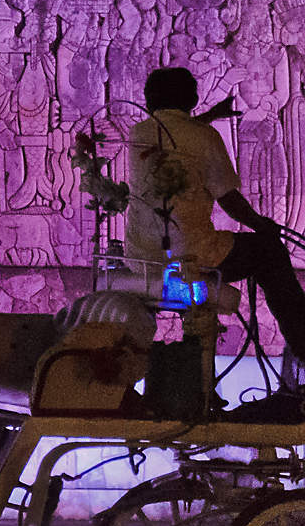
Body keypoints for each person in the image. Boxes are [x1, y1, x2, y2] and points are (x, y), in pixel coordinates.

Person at [129, 66, 305, 361]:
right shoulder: (204, 137)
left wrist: (208, 117)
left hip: (141, 256)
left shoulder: (138, 133)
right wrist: (261, 225)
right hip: (191, 255)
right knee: (269, 251)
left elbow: (175, 135)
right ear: (192, 99)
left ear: (148, 101)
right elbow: (229, 200)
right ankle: (303, 347)